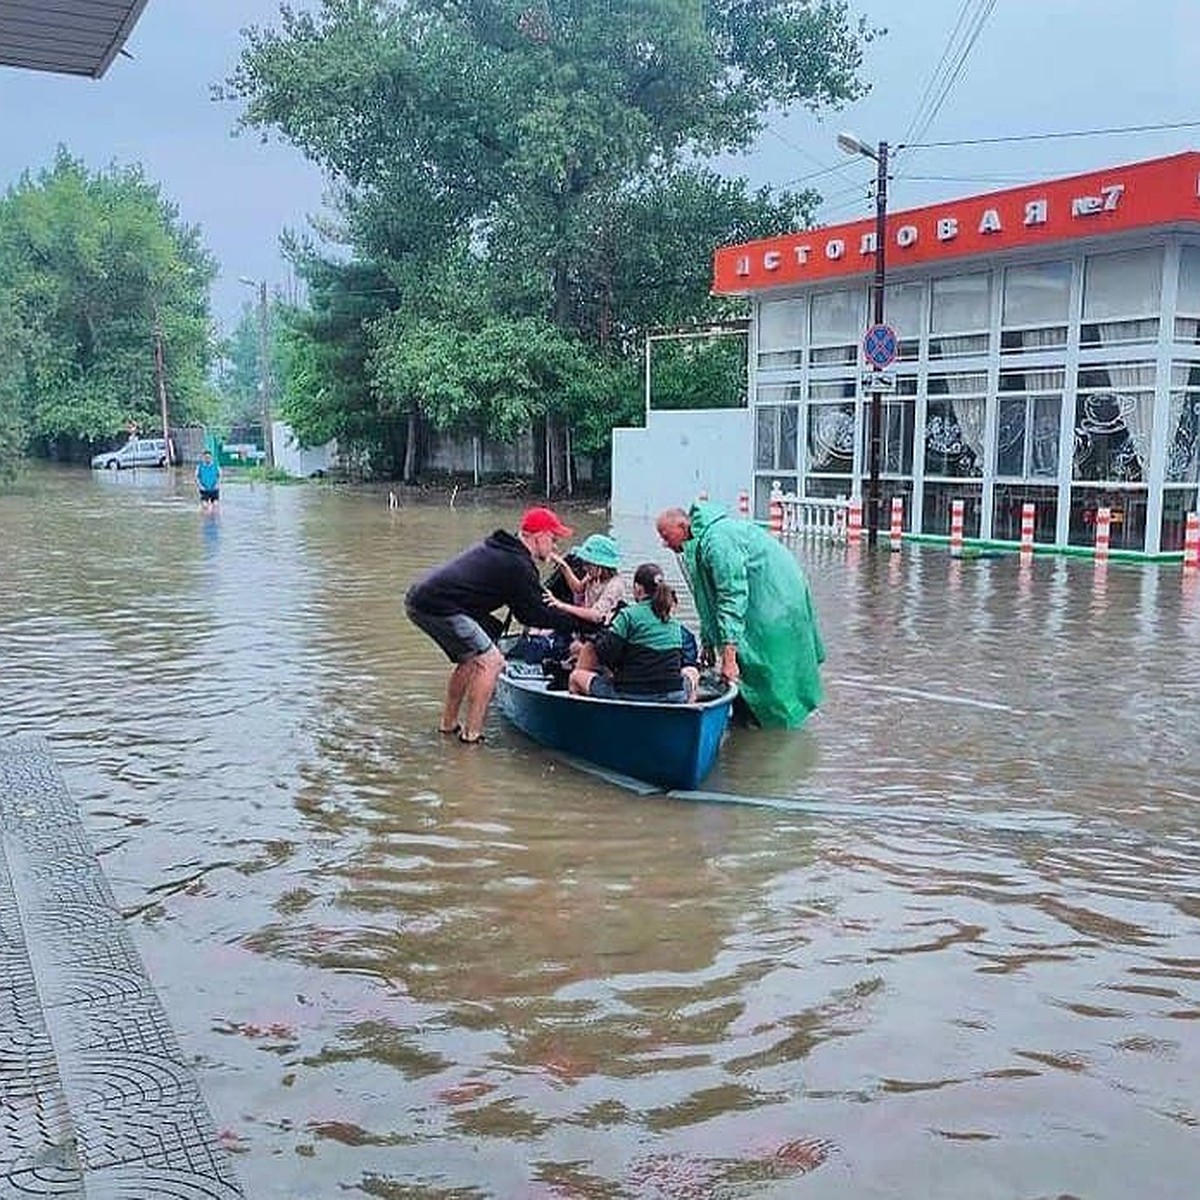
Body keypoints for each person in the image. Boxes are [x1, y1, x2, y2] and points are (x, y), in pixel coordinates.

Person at [405, 506, 579, 744]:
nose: (556, 546)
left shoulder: (505, 551)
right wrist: (578, 623)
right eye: (554, 538)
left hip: (421, 599)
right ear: (538, 537)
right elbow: (533, 615)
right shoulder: (517, 564)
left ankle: (448, 726)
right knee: (492, 661)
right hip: (440, 606)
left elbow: (525, 610)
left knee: (469, 659)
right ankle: (472, 736)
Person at [656, 501, 825, 728]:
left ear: (682, 525)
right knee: (753, 673)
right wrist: (708, 641)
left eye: (666, 536)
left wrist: (729, 658)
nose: (664, 543)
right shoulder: (700, 542)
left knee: (766, 671)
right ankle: (753, 727)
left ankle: (772, 732)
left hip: (776, 604)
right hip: (767, 602)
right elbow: (707, 598)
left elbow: (730, 597)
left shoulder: (717, 542)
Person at [568, 562, 691, 704]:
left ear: (638, 588)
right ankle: (687, 710)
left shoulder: (628, 615)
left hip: (630, 694)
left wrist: (606, 629)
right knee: (691, 673)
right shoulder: (673, 620)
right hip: (673, 695)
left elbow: (607, 654)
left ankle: (584, 720)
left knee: (576, 677)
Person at [543, 533, 626, 627]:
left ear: (601, 566)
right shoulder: (593, 575)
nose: (585, 568)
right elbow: (578, 589)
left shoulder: (615, 585)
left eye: (588, 565)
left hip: (601, 628)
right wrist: (564, 566)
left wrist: (561, 605)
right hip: (586, 622)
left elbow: (596, 615)